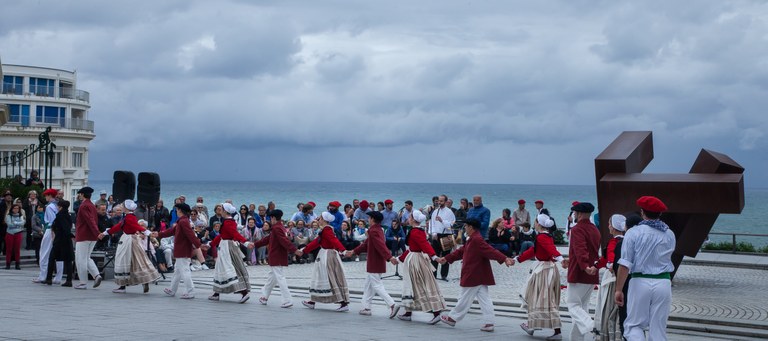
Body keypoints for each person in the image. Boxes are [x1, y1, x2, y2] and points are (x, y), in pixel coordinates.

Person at [615, 197, 675, 341]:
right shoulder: (669, 234)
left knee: (634, 326)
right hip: (663, 282)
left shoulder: (633, 233)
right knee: (658, 329)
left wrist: (618, 289)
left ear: (642, 212)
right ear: (660, 214)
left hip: (639, 281)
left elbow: (625, 264)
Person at [439, 218, 513, 332]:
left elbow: (490, 251)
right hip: (479, 273)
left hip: (474, 273)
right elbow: (461, 251)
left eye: (466, 226)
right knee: (485, 299)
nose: (464, 228)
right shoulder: (472, 239)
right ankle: (489, 323)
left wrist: (504, 259)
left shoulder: (476, 239)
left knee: (464, 297)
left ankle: (452, 318)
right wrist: (447, 258)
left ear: (471, 227)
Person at [516, 214, 565, 340]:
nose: (534, 223)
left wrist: (561, 259)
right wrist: (518, 259)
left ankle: (556, 331)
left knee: (544, 298)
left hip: (544, 270)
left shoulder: (542, 237)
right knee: (538, 297)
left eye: (535, 221)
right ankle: (531, 326)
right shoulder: (545, 236)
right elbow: (534, 250)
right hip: (544, 269)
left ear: (539, 223)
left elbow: (551, 249)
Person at [395, 210, 447, 324]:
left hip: (416, 261)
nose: (408, 218)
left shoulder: (415, 232)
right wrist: (399, 259)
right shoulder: (418, 231)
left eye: (409, 217)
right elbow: (413, 248)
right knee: (415, 285)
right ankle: (409, 312)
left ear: (413, 219)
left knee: (418, 284)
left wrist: (435, 257)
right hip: (415, 258)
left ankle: (435, 313)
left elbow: (424, 245)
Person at [100, 200, 161, 294]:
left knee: (123, 261)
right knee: (137, 261)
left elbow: (136, 226)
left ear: (126, 208)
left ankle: (123, 286)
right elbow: (119, 226)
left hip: (128, 241)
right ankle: (143, 281)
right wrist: (105, 233)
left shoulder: (129, 218)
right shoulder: (129, 217)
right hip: (131, 240)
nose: (121, 207)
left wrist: (148, 233)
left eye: (123, 206)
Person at [348, 211, 399, 317]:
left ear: (373, 219)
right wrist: (353, 252)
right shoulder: (377, 230)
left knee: (376, 285)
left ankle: (392, 304)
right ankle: (366, 307)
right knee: (368, 285)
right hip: (376, 262)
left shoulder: (373, 231)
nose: (368, 220)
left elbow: (380, 245)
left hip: (375, 262)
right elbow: (366, 244)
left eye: (369, 218)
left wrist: (389, 257)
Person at [564, 202, 601, 341]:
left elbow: (581, 250)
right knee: (583, 306)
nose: (573, 215)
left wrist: (585, 266)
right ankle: (577, 338)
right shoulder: (595, 229)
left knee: (572, 304)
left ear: (578, 213)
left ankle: (592, 326)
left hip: (580, 272)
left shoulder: (577, 229)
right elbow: (591, 250)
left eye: (574, 213)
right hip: (592, 272)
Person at [301, 211, 351, 312]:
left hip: (328, 256)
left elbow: (334, 241)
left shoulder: (327, 229)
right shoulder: (324, 230)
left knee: (330, 277)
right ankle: (312, 301)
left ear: (324, 220)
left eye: (319, 218)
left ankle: (343, 303)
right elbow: (317, 242)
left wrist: (343, 250)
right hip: (324, 255)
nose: (318, 220)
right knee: (321, 276)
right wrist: (304, 250)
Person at [255, 209, 303, 308]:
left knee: (280, 278)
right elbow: (268, 239)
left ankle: (287, 299)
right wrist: (255, 244)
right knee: (272, 277)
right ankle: (264, 296)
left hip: (276, 255)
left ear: (273, 218)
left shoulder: (276, 228)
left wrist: (294, 250)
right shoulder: (280, 227)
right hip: (279, 255)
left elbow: (284, 241)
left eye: (270, 218)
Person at [154, 202, 204, 299]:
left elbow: (190, 234)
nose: (176, 211)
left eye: (177, 210)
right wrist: (159, 234)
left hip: (183, 250)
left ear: (180, 210)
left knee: (185, 271)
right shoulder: (182, 221)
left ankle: (190, 291)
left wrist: (199, 245)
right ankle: (172, 289)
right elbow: (171, 231)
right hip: (182, 249)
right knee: (177, 270)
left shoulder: (183, 221)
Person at [208, 203, 253, 303]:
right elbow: (222, 235)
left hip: (227, 247)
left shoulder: (228, 222)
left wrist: (245, 242)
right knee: (222, 268)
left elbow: (234, 234)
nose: (220, 211)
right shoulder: (228, 221)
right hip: (225, 246)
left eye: (221, 209)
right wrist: (211, 244)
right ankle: (216, 293)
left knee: (229, 268)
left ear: (225, 211)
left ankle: (244, 292)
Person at [593, 214, 626, 340]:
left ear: (614, 226)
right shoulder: (626, 240)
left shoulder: (614, 241)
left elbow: (611, 256)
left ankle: (608, 334)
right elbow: (605, 257)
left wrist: (610, 264)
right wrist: (596, 266)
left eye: (609, 224)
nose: (608, 226)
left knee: (608, 306)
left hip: (612, 278)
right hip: (623, 276)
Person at [73, 187, 103, 289]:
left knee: (80, 259)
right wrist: (96, 233)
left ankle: (83, 282)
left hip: (83, 235)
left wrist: (97, 232)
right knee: (87, 257)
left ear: (82, 195)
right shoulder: (92, 205)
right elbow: (94, 220)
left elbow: (90, 220)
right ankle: (96, 275)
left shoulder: (84, 206)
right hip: (92, 236)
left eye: (80, 194)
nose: (79, 195)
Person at [34, 189, 63, 284]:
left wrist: (53, 232)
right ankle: (58, 277)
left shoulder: (50, 206)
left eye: (46, 196)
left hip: (50, 230)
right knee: (58, 255)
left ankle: (43, 275)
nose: (45, 197)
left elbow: (52, 221)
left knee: (44, 253)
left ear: (50, 196)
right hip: (58, 231)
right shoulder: (58, 205)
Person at [43, 200, 74, 286]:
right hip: (66, 240)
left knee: (52, 258)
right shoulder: (68, 215)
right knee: (68, 260)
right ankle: (69, 280)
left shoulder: (60, 215)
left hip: (60, 239)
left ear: (60, 207)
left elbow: (64, 227)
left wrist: (69, 234)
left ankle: (49, 278)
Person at [428, 194, 455, 280]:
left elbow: (451, 225)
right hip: (436, 235)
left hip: (447, 235)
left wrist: (442, 221)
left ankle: (444, 275)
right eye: (439, 201)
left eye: (441, 201)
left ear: (446, 202)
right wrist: (433, 233)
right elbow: (432, 224)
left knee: (446, 256)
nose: (439, 202)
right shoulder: (435, 212)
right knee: (434, 255)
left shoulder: (449, 212)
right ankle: (433, 274)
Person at [4, 203, 25, 269]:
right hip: (10, 234)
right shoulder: (8, 216)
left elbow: (23, 223)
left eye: (17, 208)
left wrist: (15, 223)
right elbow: (9, 224)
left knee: (17, 250)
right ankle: (8, 264)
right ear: (12, 209)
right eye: (14, 208)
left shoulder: (20, 216)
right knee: (9, 250)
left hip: (18, 234)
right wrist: (18, 224)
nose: (16, 210)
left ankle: (17, 264)